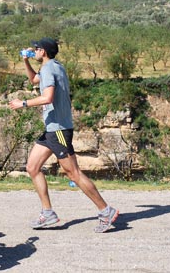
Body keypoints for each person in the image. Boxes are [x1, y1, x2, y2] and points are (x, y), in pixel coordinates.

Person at [9, 38, 118, 233]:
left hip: (58, 129)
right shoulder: (53, 66)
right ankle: (48, 213)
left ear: (44, 51)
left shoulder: (50, 69)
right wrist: (26, 61)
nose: (33, 51)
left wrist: (22, 104)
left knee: (73, 173)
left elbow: (47, 97)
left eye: (36, 49)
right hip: (52, 129)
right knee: (33, 167)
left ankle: (105, 210)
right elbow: (35, 80)